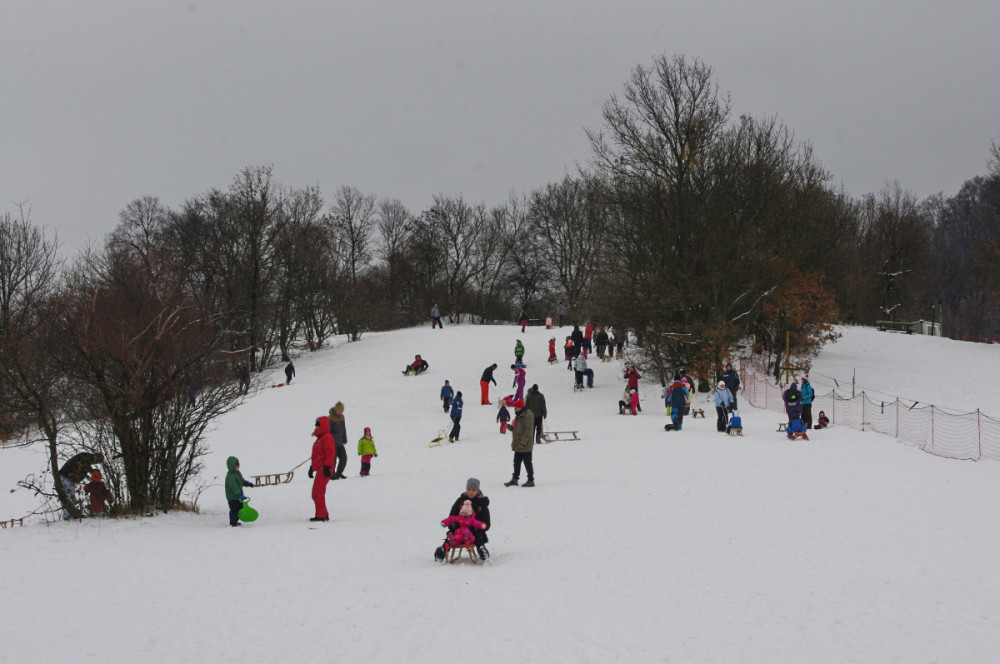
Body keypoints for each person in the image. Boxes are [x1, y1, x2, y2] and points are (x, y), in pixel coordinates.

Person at [435, 478, 491, 562]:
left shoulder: (481, 503)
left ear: (478, 491)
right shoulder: (461, 501)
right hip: (460, 528)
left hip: (475, 529)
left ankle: (482, 550)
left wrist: (480, 525)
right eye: (469, 489)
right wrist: (454, 524)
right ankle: (443, 550)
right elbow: (452, 516)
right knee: (452, 535)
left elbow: (486, 522)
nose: (471, 492)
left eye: (473, 490)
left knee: (478, 536)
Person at [58, 452, 104, 519]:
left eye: (98, 462)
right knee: (68, 497)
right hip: (66, 477)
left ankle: (70, 514)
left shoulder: (86, 459)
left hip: (69, 479)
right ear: (95, 456)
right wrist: (92, 471)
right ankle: (67, 516)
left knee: (71, 497)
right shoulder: (86, 457)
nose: (96, 463)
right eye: (98, 461)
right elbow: (84, 465)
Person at [308, 416, 335, 522]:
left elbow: (330, 453)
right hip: (320, 468)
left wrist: (328, 466)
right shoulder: (320, 439)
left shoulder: (327, 438)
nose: (316, 428)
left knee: (317, 492)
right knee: (317, 492)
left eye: (317, 425)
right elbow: (317, 456)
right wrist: (312, 468)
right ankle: (323, 513)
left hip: (325, 468)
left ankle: (321, 515)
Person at [505, 401, 536, 487]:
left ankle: (531, 479)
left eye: (516, 408)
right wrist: (510, 427)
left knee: (527, 462)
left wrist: (523, 442)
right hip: (518, 444)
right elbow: (518, 429)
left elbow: (528, 430)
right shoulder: (519, 414)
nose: (515, 409)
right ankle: (515, 479)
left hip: (525, 444)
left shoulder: (528, 415)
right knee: (516, 462)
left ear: (521, 407)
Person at [224, 456, 254, 527]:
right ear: (232, 466)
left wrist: (247, 483)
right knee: (234, 510)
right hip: (232, 497)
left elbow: (241, 480)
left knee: (240, 508)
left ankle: (236, 521)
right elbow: (234, 487)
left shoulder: (237, 473)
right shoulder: (230, 476)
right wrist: (239, 494)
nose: (238, 467)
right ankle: (233, 523)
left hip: (238, 496)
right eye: (236, 466)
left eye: (238, 466)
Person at [328, 401, 348, 479]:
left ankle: (339, 473)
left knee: (344, 458)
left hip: (340, 442)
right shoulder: (331, 417)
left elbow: (343, 429)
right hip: (332, 442)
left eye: (341, 411)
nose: (339, 412)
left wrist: (345, 438)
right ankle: (332, 474)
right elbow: (329, 431)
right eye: (338, 411)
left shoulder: (342, 417)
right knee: (333, 459)